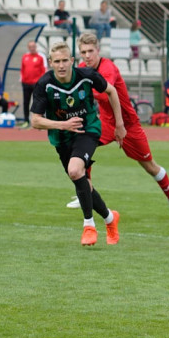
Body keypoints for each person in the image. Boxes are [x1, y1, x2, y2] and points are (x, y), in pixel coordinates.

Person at [72, 32, 169, 219]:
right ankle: (85, 191)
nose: (87, 56)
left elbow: (104, 93)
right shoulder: (83, 68)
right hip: (106, 122)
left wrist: (120, 126)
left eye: (90, 51)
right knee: (81, 145)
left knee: (149, 166)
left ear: (98, 50)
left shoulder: (108, 68)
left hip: (128, 124)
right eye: (83, 52)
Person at [31, 41, 124, 246]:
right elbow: (35, 120)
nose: (62, 65)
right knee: (83, 182)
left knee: (75, 170)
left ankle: (89, 226)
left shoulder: (87, 76)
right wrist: (62, 125)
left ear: (73, 61)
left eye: (65, 60)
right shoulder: (44, 84)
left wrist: (119, 124)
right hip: (61, 137)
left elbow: (112, 91)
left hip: (87, 129)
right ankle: (110, 218)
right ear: (50, 63)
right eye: (57, 61)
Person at [19, 40, 48, 127]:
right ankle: (26, 121)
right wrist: (22, 80)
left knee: (38, 102)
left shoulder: (40, 57)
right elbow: (22, 69)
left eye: (33, 46)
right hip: (26, 83)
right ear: (28, 47)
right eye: (30, 47)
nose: (32, 48)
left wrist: (41, 82)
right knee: (26, 102)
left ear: (36, 47)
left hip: (36, 84)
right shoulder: (25, 56)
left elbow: (44, 70)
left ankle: (40, 121)